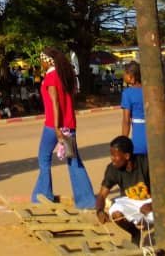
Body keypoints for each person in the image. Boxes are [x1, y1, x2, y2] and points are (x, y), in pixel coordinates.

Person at [31, 47, 96, 209]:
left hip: (54, 126)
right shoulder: (64, 75)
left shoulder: (51, 77)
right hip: (69, 124)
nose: (40, 63)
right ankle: (86, 200)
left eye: (41, 60)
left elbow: (55, 103)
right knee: (73, 161)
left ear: (47, 61)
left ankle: (43, 195)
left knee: (44, 157)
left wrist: (56, 127)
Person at [94, 135, 165, 242]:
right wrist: (99, 211)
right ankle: (135, 233)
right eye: (111, 155)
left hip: (153, 200)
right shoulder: (112, 169)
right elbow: (102, 195)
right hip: (131, 202)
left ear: (127, 156)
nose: (112, 159)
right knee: (115, 213)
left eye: (115, 156)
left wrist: (152, 205)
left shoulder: (146, 162)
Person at [120, 62, 147, 157]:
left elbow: (126, 120)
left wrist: (123, 143)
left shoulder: (127, 93)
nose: (123, 75)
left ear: (131, 76)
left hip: (139, 137)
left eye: (125, 73)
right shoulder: (148, 90)